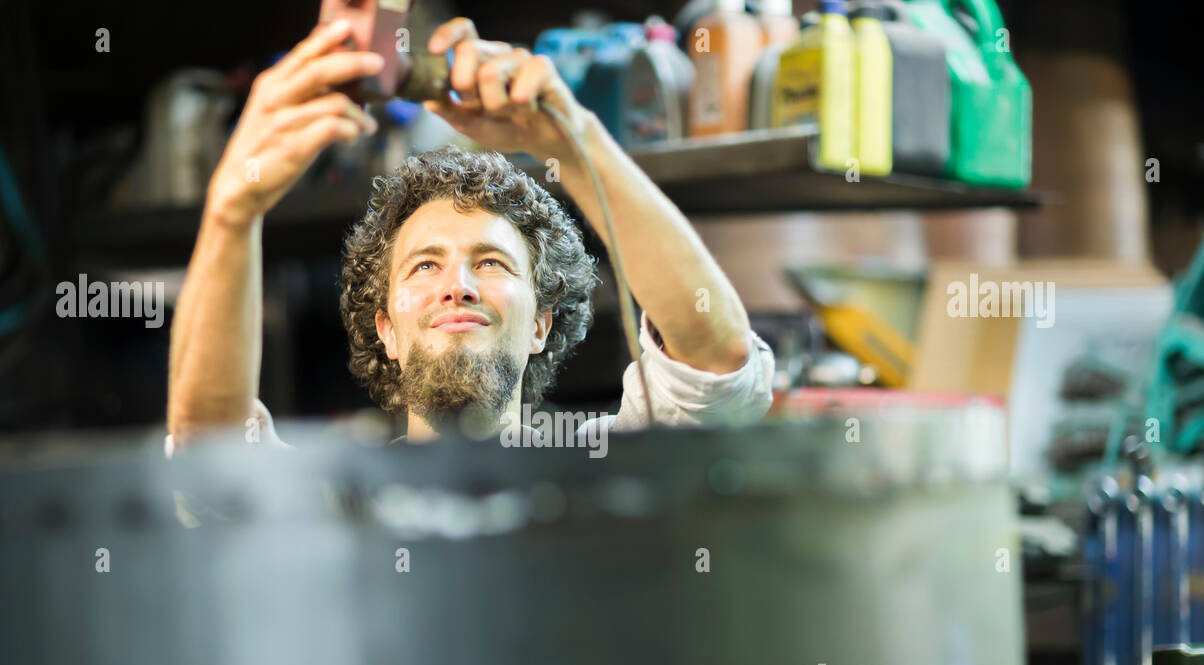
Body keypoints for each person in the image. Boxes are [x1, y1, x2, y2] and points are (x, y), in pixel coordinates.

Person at [165, 15, 774, 454]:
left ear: (540, 324)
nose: (457, 286)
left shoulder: (597, 476)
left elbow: (716, 367)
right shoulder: (331, 500)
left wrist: (575, 143)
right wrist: (231, 215)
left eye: (491, 263)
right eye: (425, 265)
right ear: (386, 329)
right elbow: (210, 463)